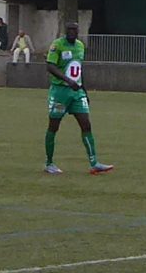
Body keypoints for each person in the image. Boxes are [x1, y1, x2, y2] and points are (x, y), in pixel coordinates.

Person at [44, 20, 113, 175]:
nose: (72, 32)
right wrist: (68, 81)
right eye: (69, 29)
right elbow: (50, 66)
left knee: (86, 124)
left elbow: (79, 69)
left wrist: (84, 91)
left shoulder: (80, 46)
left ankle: (94, 163)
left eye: (74, 30)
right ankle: (49, 163)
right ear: (65, 31)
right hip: (60, 92)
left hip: (77, 93)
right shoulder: (57, 45)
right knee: (54, 126)